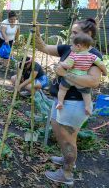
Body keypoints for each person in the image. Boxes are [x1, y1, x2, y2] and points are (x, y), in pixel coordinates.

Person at [34, 18, 103, 185]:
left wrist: (65, 75)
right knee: (59, 131)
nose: (71, 36)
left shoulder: (93, 55)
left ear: (88, 34)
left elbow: (94, 81)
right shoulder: (69, 49)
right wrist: (35, 32)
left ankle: (66, 173)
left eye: (74, 33)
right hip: (62, 101)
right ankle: (66, 158)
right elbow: (42, 47)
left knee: (68, 140)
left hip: (75, 104)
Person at [56, 33, 107, 115]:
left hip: (70, 78)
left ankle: (60, 102)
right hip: (82, 79)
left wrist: (61, 63)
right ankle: (87, 107)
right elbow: (101, 64)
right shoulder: (92, 56)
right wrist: (105, 72)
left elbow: (68, 65)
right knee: (86, 93)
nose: (71, 47)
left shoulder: (74, 56)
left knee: (62, 89)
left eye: (72, 45)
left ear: (78, 46)